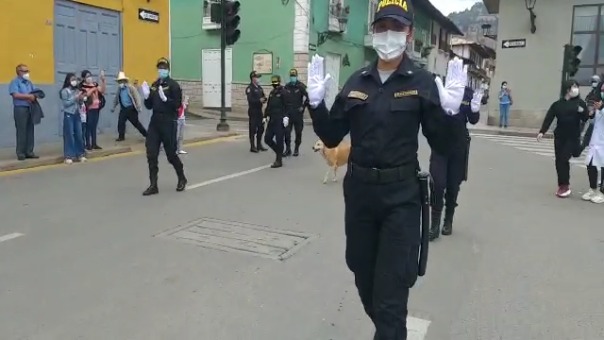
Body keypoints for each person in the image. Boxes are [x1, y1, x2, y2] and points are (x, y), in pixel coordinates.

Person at [306, 0, 466, 337]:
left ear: (408, 34)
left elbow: (443, 145)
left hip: (401, 198)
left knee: (391, 296)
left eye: (396, 28)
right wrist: (316, 104)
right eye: (382, 27)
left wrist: (451, 115)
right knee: (365, 279)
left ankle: (391, 329)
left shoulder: (421, 81)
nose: (388, 34)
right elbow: (333, 134)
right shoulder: (357, 81)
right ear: (374, 31)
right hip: (361, 196)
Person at [429, 82, 483, 239]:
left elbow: (473, 120)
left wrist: (475, 110)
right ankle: (434, 224)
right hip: (439, 145)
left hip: (458, 146)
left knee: (453, 185)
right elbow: (429, 115)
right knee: (437, 184)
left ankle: (448, 220)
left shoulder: (467, 93)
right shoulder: (438, 89)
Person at [140, 58, 187, 195]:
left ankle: (182, 178)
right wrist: (147, 96)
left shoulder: (174, 86)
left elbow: (177, 105)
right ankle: (153, 185)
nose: (161, 70)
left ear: (168, 69)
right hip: (155, 121)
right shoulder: (155, 85)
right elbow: (149, 106)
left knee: (171, 154)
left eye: (164, 67)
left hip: (168, 121)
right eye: (159, 68)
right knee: (151, 154)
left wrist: (166, 100)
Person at [537, 79, 588, 198]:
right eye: (573, 86)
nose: (576, 89)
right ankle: (562, 185)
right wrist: (542, 132)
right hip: (560, 136)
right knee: (559, 160)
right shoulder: (557, 104)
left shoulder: (580, 103)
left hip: (573, 136)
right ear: (567, 88)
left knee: (564, 158)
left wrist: (582, 112)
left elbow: (585, 118)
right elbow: (549, 117)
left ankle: (565, 185)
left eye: (577, 86)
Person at [8, 64, 40, 160]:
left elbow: (35, 91)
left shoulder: (29, 83)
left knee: (30, 130)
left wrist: (36, 95)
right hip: (20, 108)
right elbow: (15, 95)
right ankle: (21, 153)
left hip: (30, 108)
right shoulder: (15, 82)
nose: (27, 73)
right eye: (25, 71)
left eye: (27, 71)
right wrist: (29, 96)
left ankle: (29, 151)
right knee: (21, 130)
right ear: (19, 72)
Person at [111, 71, 147, 141]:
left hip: (131, 109)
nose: (120, 83)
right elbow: (116, 99)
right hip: (123, 109)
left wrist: (139, 107)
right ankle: (121, 137)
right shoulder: (119, 89)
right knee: (121, 122)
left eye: (121, 81)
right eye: (119, 81)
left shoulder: (130, 88)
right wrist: (113, 107)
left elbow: (137, 97)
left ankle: (146, 134)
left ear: (125, 81)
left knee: (136, 123)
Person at [59, 73, 87, 164]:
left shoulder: (77, 91)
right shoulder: (64, 91)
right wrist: (76, 97)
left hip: (76, 114)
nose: (74, 81)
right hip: (69, 114)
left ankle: (80, 154)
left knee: (79, 134)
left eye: (75, 79)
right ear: (68, 81)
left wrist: (81, 98)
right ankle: (68, 156)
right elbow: (66, 104)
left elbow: (79, 103)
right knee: (69, 135)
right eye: (72, 79)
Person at [582, 92, 604, 202]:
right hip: (596, 142)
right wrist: (592, 113)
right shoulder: (599, 106)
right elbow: (593, 122)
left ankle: (602, 193)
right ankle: (593, 189)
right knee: (590, 164)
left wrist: (602, 108)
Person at [263, 75, 289, 168]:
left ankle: (279, 160)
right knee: (267, 139)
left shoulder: (284, 92)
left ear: (279, 82)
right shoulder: (272, 93)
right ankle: (279, 152)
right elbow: (269, 106)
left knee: (279, 140)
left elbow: (287, 106)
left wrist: (286, 117)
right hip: (272, 120)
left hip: (280, 120)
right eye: (273, 84)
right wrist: (265, 116)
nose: (274, 86)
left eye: (276, 84)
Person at [283, 68, 309, 157]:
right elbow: (283, 99)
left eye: (294, 76)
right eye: (291, 76)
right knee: (287, 132)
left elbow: (308, 97)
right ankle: (288, 149)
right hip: (289, 113)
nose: (292, 77)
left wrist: (303, 106)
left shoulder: (301, 86)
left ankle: (296, 148)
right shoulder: (287, 86)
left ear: (296, 76)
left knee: (298, 132)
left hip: (298, 113)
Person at [80, 69, 106, 150]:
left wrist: (103, 80)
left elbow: (102, 90)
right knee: (88, 126)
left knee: (94, 127)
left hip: (96, 108)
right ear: (84, 78)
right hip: (88, 109)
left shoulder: (94, 84)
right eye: (87, 76)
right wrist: (93, 89)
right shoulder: (82, 87)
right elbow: (86, 95)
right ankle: (88, 144)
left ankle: (94, 144)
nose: (89, 78)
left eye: (90, 76)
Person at [245, 71, 267, 153]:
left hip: (259, 111)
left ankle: (259, 144)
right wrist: (259, 100)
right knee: (253, 129)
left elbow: (263, 96)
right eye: (257, 77)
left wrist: (264, 99)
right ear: (253, 78)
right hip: (253, 110)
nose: (258, 79)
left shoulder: (259, 88)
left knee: (261, 128)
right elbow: (250, 100)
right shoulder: (250, 88)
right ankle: (252, 146)